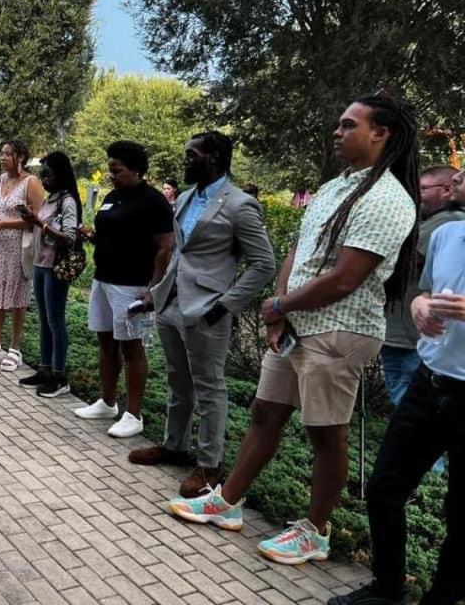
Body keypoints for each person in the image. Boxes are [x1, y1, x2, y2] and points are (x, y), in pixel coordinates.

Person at [168, 90, 419, 566]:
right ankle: (227, 502)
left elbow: (347, 277)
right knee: (266, 414)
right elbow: (297, 253)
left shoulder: (388, 199)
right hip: (296, 326)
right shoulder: (336, 186)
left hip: (339, 332)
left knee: (326, 435)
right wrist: (279, 309)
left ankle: (315, 531)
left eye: (348, 125)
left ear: (380, 133)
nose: (337, 132)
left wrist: (280, 303)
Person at [328, 221, 465, 605]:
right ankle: (387, 587)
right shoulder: (446, 234)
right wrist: (420, 307)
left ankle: (443, 597)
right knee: (384, 489)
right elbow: (423, 293)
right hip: (429, 383)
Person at [132, 132, 275, 496]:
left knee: (210, 388)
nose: (185, 161)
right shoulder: (183, 198)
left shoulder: (240, 204)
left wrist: (226, 304)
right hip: (172, 303)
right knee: (178, 381)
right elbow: (181, 253)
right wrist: (158, 290)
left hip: (208, 310)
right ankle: (174, 446)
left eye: (191, 155)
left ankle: (210, 468)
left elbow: (264, 264)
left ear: (214, 157)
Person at [73, 141, 174, 437]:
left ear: (136, 170)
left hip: (131, 285)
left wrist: (154, 288)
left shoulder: (153, 201)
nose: (111, 175)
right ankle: (107, 402)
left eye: (116, 170)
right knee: (105, 342)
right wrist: (93, 235)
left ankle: (134, 414)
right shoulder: (112, 196)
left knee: (132, 348)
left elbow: (165, 247)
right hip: (103, 278)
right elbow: (111, 232)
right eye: (110, 170)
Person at [381, 165, 463, 406]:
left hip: (411, 338)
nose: (417, 196)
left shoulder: (447, 221)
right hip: (414, 332)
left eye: (423, 189)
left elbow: (397, 260)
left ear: (446, 190)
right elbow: (426, 288)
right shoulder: (443, 230)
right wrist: (420, 302)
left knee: (409, 403)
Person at [0, 140, 44, 371]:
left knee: (16, 297)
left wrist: (5, 224)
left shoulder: (30, 183)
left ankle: (15, 347)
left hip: (18, 248)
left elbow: (37, 218)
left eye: (7, 154)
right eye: (1, 154)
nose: (2, 158)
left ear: (20, 157)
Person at [18, 152, 81, 397]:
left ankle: (60, 376)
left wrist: (39, 223)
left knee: (56, 321)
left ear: (61, 174)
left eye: (48, 175)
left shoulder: (67, 201)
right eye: (42, 175)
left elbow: (69, 237)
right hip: (41, 265)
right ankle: (45, 370)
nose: (43, 180)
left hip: (55, 268)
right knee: (44, 320)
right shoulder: (50, 199)